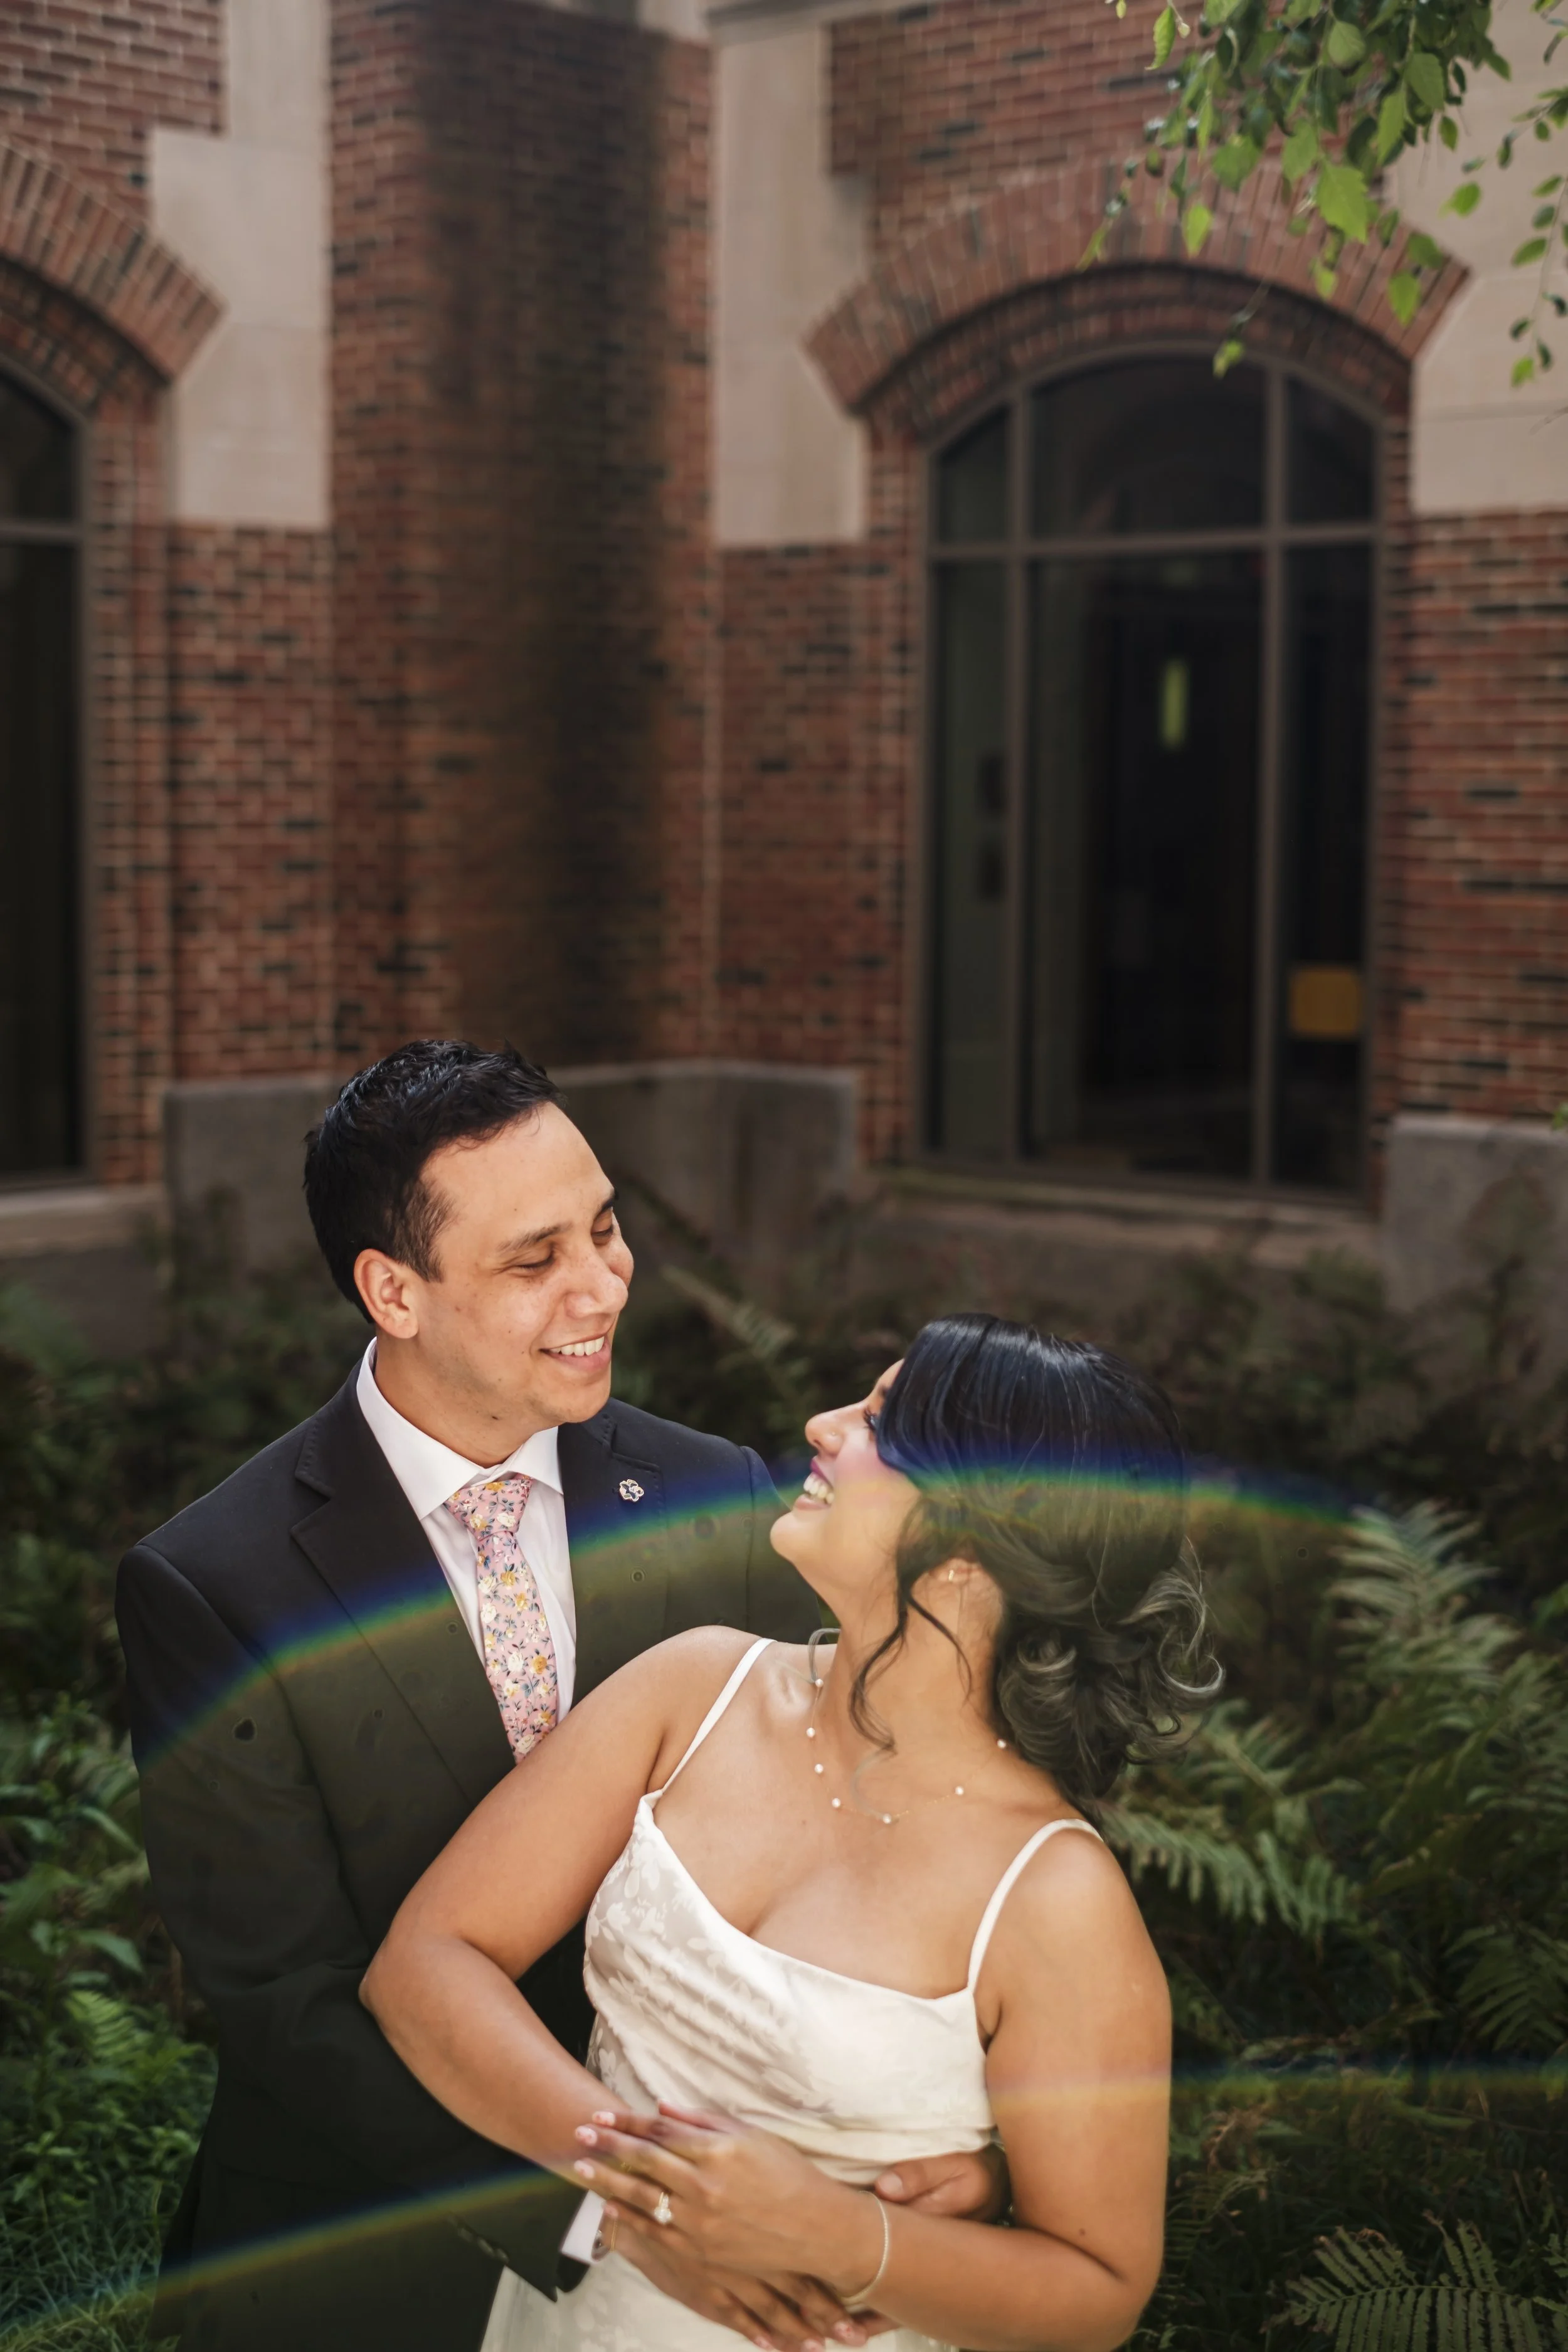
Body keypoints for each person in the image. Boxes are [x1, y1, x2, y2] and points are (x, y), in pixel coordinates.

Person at [117, 1043, 999, 2352]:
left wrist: (957, 2146)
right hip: (363, 2257)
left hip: (735, 2250)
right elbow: (283, 1998)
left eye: (604, 1227)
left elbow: (871, 1830)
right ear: (392, 1292)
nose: (601, 1286)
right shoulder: (216, 1583)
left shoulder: (717, 1501)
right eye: (534, 1262)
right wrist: (612, 2216)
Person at [363, 1315, 1222, 2352]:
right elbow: (424, 1964)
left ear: (968, 1544)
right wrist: (638, 2198)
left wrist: (842, 2232)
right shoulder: (692, 1689)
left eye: (877, 1422)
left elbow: (1098, 2291)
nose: (821, 1425)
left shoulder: (1052, 1897)